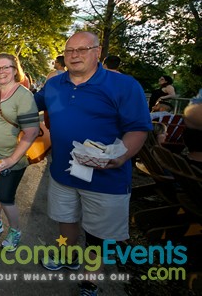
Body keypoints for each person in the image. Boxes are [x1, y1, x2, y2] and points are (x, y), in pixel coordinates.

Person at [34, 31, 152, 296]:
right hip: (63, 173)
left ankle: (90, 281)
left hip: (106, 178)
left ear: (97, 52)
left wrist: (121, 156)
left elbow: (138, 129)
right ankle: (66, 255)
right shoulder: (54, 84)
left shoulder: (125, 86)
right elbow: (28, 105)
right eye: (69, 50)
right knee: (65, 220)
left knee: (98, 235)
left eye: (82, 49)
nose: (74, 55)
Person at [0, 53, 39, 252]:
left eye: (6, 67)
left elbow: (32, 132)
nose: (1, 72)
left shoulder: (24, 96)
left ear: (15, 69)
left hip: (10, 158)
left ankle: (15, 230)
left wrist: (11, 160)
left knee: (5, 197)